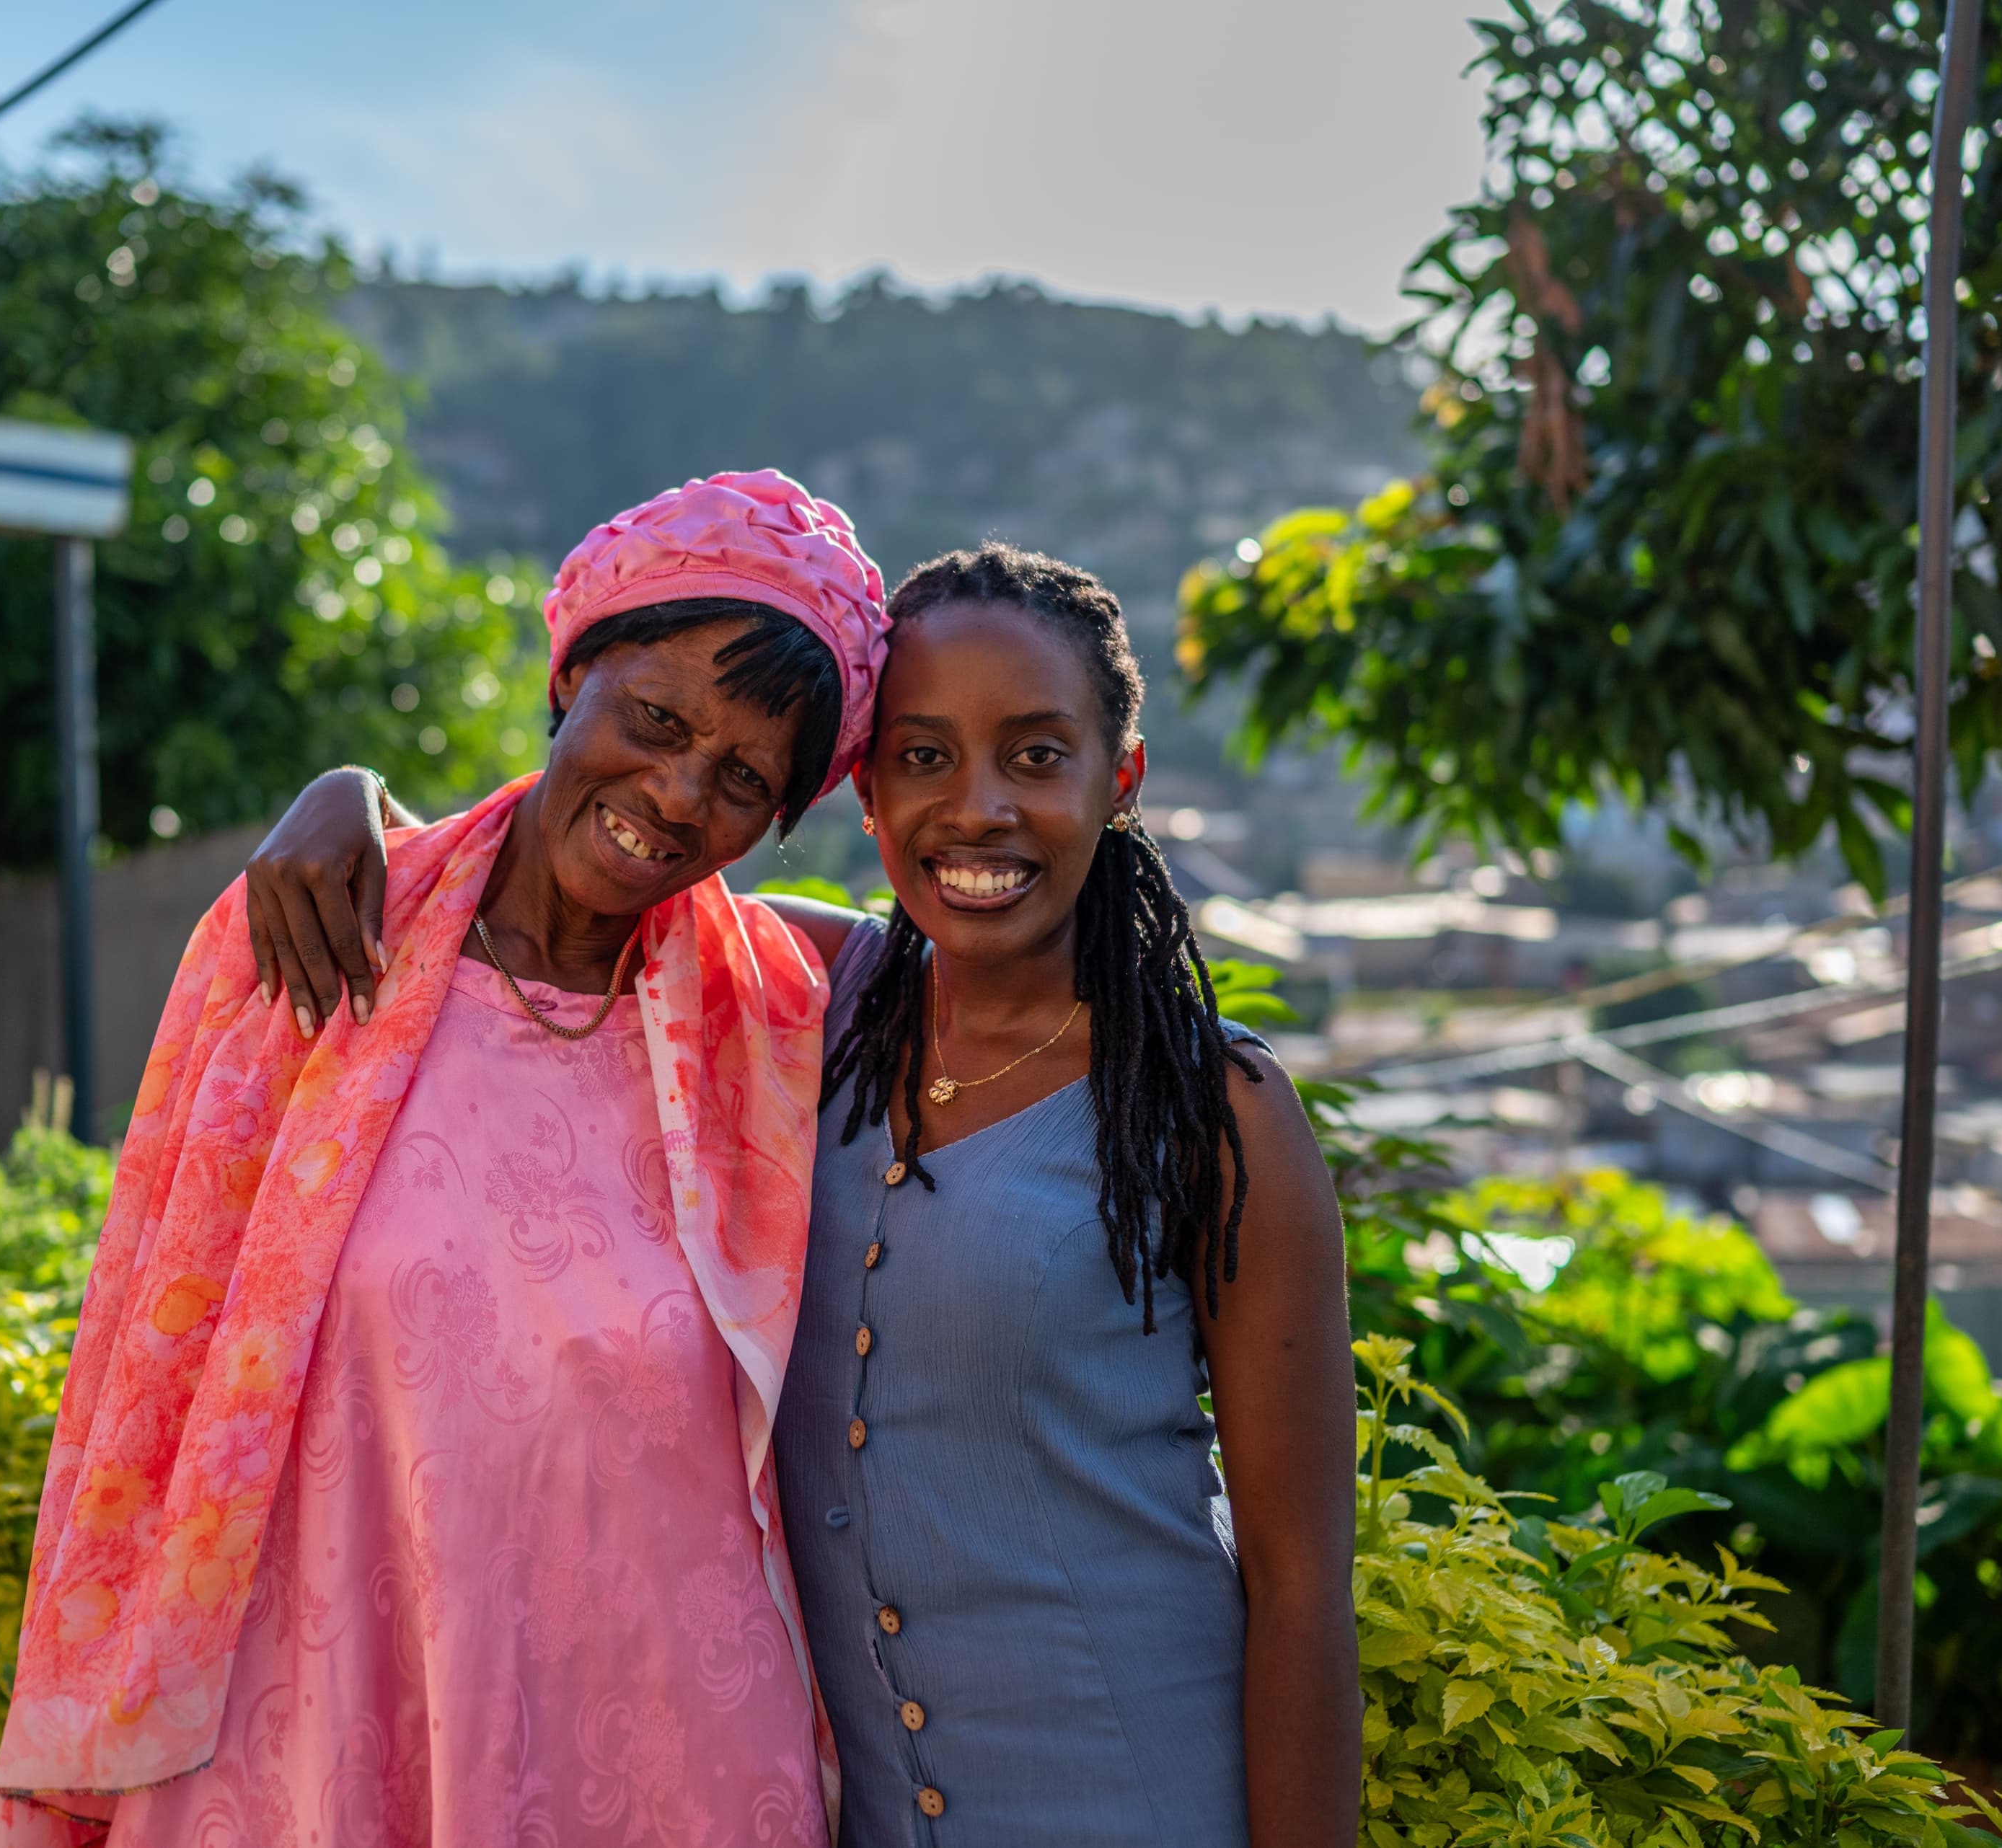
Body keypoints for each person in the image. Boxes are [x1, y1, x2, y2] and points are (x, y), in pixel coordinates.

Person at [251, 543, 1359, 1847]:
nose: (979, 809)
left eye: (1037, 756)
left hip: (1136, 1803)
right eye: (925, 756)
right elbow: (575, 857)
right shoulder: (784, 997)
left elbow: (1300, 1588)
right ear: (866, 794)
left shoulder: (1210, 1108)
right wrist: (355, 801)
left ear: (1119, 781)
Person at [0, 470, 890, 1847]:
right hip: (315, 1727)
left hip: (657, 1750)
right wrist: (351, 794)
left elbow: (981, 961)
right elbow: (143, 1352)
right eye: (654, 719)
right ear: (571, 677)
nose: (676, 791)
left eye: (744, 780)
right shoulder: (321, 935)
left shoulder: (774, 1018)